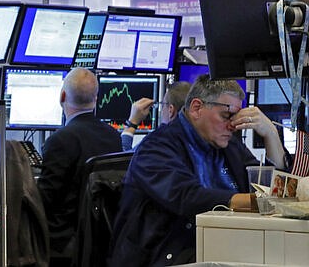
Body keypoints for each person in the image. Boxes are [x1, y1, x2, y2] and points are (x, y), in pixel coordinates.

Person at [109, 74, 290, 266]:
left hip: (218, 246)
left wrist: (271, 134)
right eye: (227, 116)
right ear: (197, 108)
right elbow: (188, 197)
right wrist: (261, 202)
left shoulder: (228, 146)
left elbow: (267, 185)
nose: (233, 126)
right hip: (167, 255)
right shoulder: (156, 147)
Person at [37, 67, 122, 266]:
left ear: (62, 96)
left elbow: (45, 200)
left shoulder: (60, 140)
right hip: (102, 242)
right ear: (96, 98)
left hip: (63, 247)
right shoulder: (113, 136)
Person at [121, 81, 191, 151]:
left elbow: (122, 158)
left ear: (171, 110)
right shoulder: (196, 139)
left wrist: (132, 123)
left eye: (163, 104)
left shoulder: (155, 142)